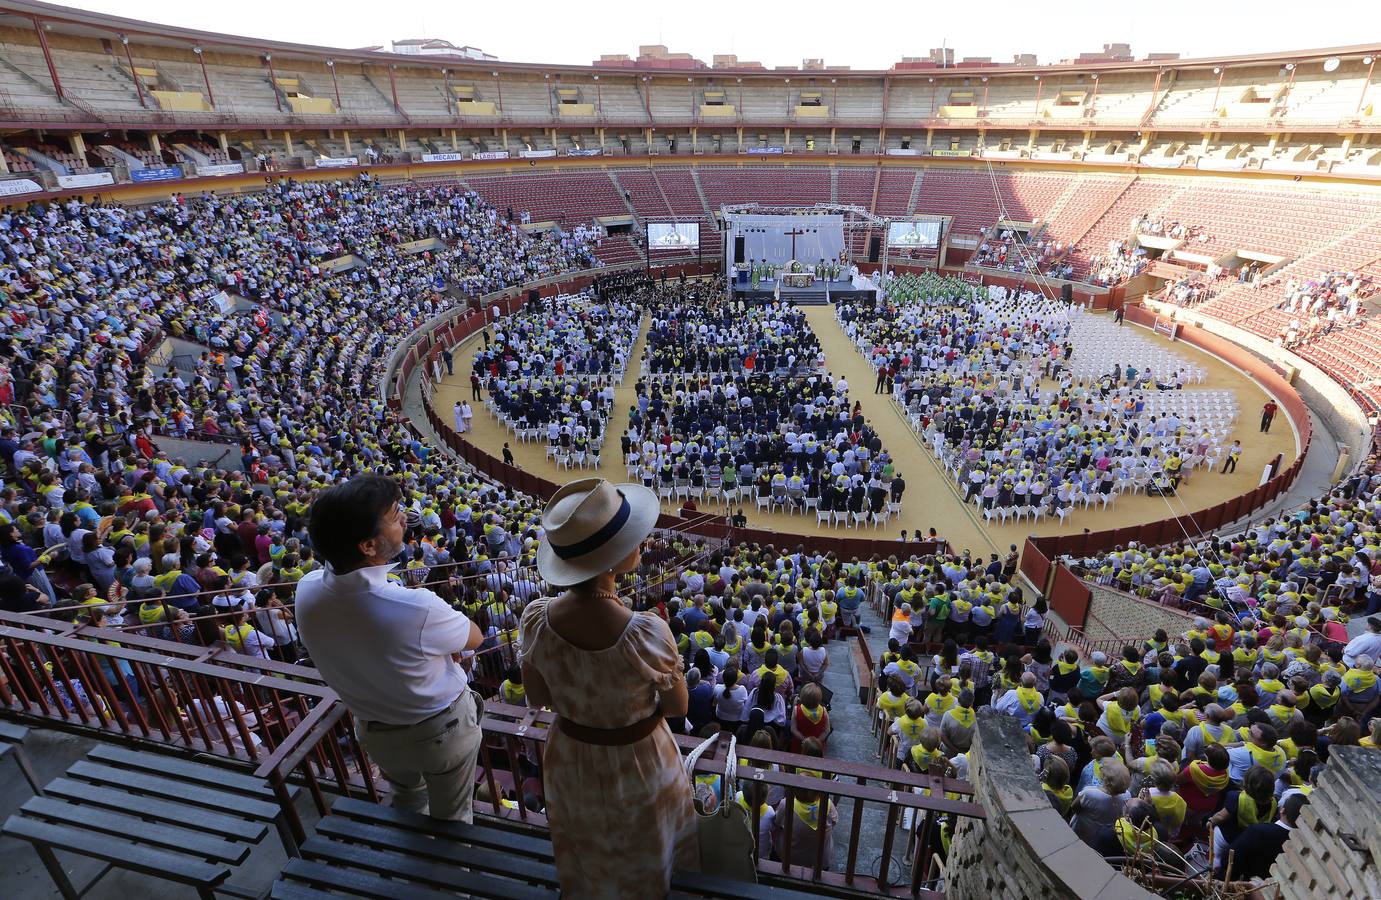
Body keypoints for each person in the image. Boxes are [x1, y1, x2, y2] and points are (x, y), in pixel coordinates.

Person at [517, 477, 696, 897]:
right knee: (649, 858)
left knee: (588, 856)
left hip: (571, 759)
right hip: (640, 763)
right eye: (632, 539)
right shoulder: (648, 632)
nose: (640, 543)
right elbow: (678, 707)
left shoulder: (536, 619)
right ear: (611, 561)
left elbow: (538, 697)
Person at [296, 475, 484, 821]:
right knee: (453, 815)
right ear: (368, 546)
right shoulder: (415, 606)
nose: (404, 518)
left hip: (376, 730)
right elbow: (474, 637)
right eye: (395, 514)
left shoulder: (307, 590)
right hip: (438, 730)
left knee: (407, 800)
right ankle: (451, 871)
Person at [1224, 790, 1308, 879]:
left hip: (1244, 885)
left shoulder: (1258, 831)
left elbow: (1230, 858)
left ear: (1282, 810)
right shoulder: (1302, 845)